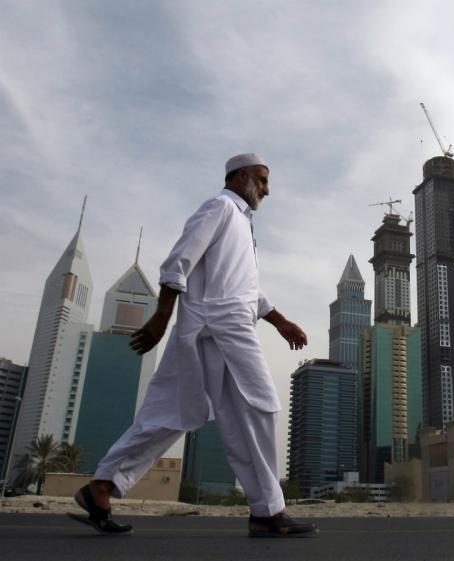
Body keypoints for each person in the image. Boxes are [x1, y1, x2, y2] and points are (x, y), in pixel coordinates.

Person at [68, 153, 317, 538]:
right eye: (262, 180)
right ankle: (267, 512)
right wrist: (161, 317)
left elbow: (248, 289)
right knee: (260, 407)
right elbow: (178, 261)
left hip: (215, 327)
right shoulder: (219, 208)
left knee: (173, 412)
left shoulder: (243, 225)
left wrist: (279, 321)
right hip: (220, 328)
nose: (267, 190)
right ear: (240, 177)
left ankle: (102, 486)